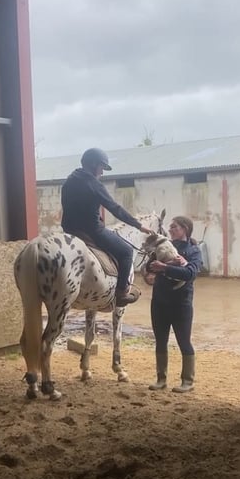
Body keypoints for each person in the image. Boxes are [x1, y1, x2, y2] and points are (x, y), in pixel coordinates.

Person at [61, 147, 154, 306]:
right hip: (92, 231)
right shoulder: (93, 184)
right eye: (101, 168)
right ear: (93, 164)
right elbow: (114, 208)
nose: (102, 172)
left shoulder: (69, 181)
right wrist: (138, 225)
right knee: (126, 252)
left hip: (69, 230)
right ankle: (122, 293)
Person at [143, 215, 202, 392]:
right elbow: (148, 266)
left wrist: (165, 268)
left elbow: (190, 274)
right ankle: (161, 379)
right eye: (170, 227)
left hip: (181, 303)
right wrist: (161, 265)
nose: (170, 230)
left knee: (184, 341)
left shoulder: (194, 251)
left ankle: (187, 381)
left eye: (174, 227)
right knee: (160, 341)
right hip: (160, 301)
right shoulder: (163, 245)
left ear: (184, 229)